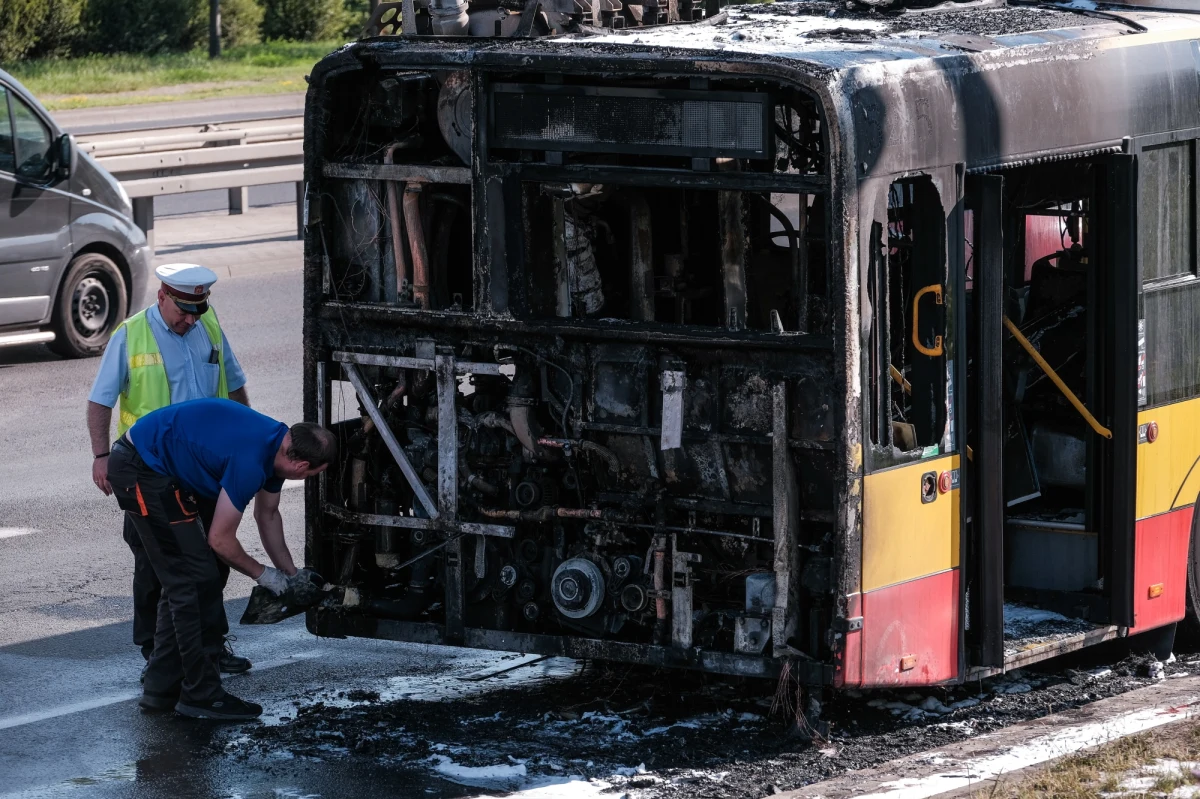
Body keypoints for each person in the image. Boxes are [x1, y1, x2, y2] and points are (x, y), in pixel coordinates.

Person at [106, 399, 336, 720]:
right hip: (142, 469)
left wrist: (290, 575)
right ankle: (200, 695)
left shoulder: (280, 444)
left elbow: (267, 515)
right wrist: (264, 576)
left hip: (162, 469)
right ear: (301, 466)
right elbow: (220, 539)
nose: (310, 478)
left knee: (199, 576)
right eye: (314, 474)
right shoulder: (252, 460)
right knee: (193, 581)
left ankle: (162, 689)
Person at [87, 263, 254, 678]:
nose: (191, 319)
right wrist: (101, 457)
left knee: (212, 559)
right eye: (183, 310)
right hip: (150, 470)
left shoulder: (208, 324)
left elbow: (233, 383)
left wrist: (246, 436)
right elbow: (99, 401)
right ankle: (155, 654)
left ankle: (211, 647)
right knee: (154, 565)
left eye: (198, 310)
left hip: (205, 468)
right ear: (162, 295)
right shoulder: (131, 334)